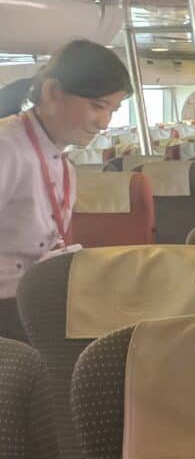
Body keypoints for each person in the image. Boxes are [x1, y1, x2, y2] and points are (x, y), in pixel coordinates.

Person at [0, 40, 132, 341]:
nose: (103, 123)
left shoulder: (62, 161)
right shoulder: (7, 147)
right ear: (51, 92)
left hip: (34, 300)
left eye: (113, 110)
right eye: (97, 106)